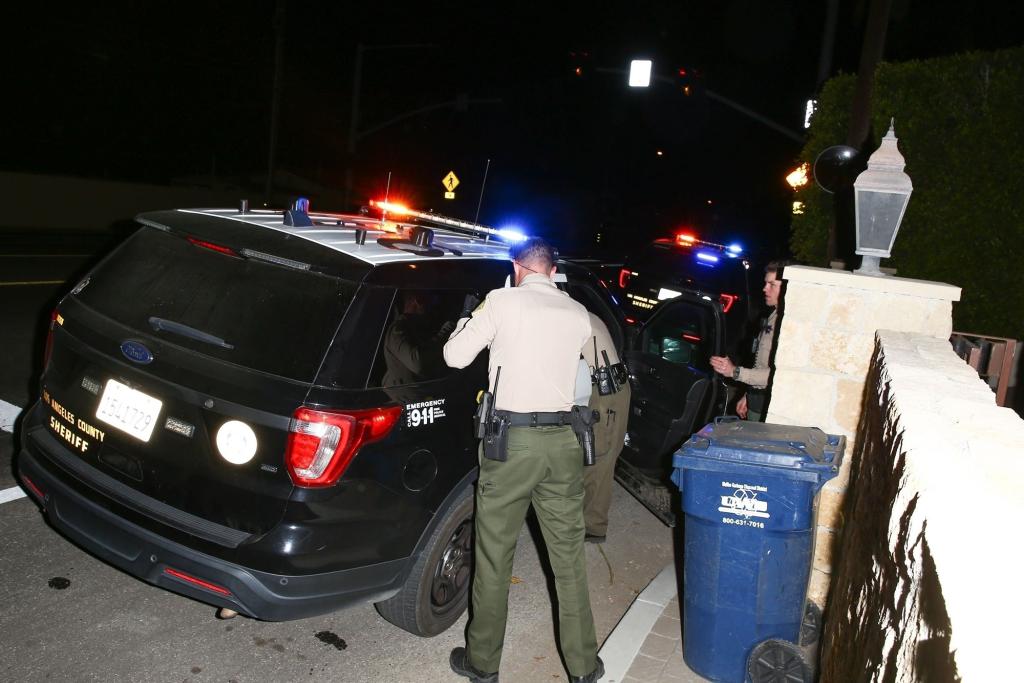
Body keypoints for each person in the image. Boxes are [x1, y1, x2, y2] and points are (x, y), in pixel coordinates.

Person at [442, 237, 604, 683]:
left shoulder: (502, 300)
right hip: (564, 444)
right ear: (553, 270)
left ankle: (483, 662)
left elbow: (455, 358)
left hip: (511, 444)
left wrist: (467, 319)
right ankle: (584, 666)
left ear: (518, 268)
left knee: (495, 556)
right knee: (568, 557)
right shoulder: (576, 313)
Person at [709, 260, 789, 422]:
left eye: (772, 284)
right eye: (765, 283)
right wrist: (748, 394)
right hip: (756, 400)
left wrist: (734, 372)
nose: (764, 289)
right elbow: (761, 362)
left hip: (768, 407)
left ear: (786, 288)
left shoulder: (788, 324)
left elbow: (779, 375)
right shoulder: (773, 315)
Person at [581, 313, 631, 544]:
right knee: (599, 456)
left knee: (598, 459)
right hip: (608, 387)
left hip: (606, 393)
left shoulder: (570, 316)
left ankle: (593, 527)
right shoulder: (584, 312)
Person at [382, 291, 455, 387]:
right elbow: (418, 363)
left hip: (430, 395)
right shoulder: (399, 329)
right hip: (413, 399)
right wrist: (446, 331)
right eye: (430, 300)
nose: (432, 305)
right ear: (417, 301)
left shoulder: (423, 326)